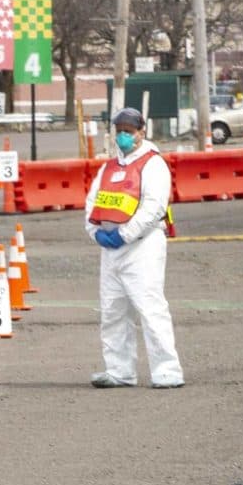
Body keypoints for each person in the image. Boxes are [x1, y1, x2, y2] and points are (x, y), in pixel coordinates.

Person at [83, 108, 183, 389]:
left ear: (142, 132)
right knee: (113, 311)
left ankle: (167, 370)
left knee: (150, 308)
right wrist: (96, 233)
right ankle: (119, 370)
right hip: (111, 249)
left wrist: (124, 235)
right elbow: (92, 202)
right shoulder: (109, 166)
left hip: (142, 246)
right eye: (120, 131)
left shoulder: (153, 164)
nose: (124, 136)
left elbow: (154, 208)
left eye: (129, 131)